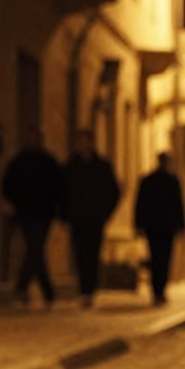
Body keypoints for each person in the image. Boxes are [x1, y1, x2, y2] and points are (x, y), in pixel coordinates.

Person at [2, 128, 62, 308]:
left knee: (34, 249)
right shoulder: (19, 162)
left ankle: (23, 288)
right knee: (35, 250)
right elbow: (8, 184)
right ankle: (46, 291)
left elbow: (58, 186)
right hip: (25, 213)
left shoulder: (48, 162)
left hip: (44, 213)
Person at [62, 129, 121, 308]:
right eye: (81, 141)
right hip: (77, 218)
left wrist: (105, 212)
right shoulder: (71, 167)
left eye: (86, 141)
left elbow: (113, 192)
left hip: (95, 218)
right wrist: (66, 214)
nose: (84, 145)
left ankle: (90, 290)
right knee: (79, 254)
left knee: (92, 254)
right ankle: (83, 290)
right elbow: (62, 192)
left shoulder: (102, 167)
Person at [134, 152, 185, 306]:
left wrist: (181, 224)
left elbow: (178, 205)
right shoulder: (150, 181)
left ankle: (160, 290)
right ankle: (157, 290)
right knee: (158, 258)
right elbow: (141, 204)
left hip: (164, 227)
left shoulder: (171, 181)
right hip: (156, 226)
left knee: (163, 259)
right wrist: (139, 224)